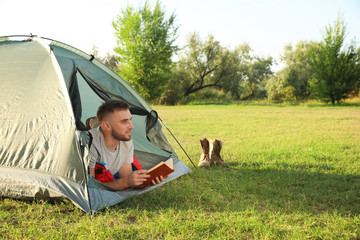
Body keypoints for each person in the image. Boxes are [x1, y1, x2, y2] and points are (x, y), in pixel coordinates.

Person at [88, 100, 166, 190]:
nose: (131, 126)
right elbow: (91, 189)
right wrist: (126, 182)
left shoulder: (125, 140)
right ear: (106, 126)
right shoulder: (90, 144)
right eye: (124, 121)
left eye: (130, 120)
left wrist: (148, 182)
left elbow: (128, 180)